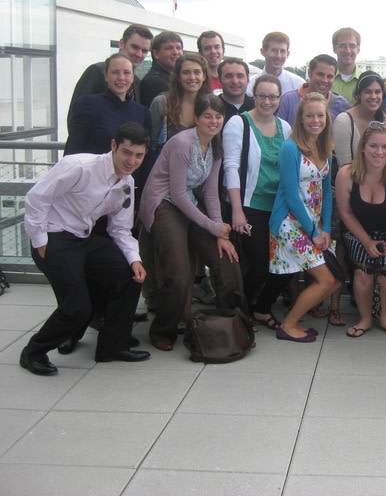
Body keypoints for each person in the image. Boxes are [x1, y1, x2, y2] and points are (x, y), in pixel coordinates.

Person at [20, 122, 152, 375]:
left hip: (84, 237)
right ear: (114, 146)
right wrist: (40, 241)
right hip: (54, 237)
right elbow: (36, 198)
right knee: (77, 307)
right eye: (126, 152)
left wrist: (135, 259)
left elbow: (120, 230)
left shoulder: (127, 182)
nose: (131, 160)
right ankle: (33, 352)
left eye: (138, 155)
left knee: (129, 276)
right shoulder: (79, 166)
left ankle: (112, 347)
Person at [140, 95, 243, 351]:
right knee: (179, 272)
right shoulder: (183, 143)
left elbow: (209, 193)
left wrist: (221, 233)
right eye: (207, 116)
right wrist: (212, 226)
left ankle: (233, 322)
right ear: (196, 118)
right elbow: (177, 194)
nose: (213, 121)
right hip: (163, 203)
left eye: (218, 116)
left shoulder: (216, 146)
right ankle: (163, 329)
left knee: (226, 258)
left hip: (188, 202)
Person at [269, 93, 342, 342]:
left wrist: (326, 230)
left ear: (327, 118)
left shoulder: (325, 147)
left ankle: (292, 320)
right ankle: (288, 325)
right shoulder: (290, 148)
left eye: (320, 115)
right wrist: (313, 232)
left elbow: (327, 195)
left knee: (333, 280)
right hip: (290, 222)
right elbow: (290, 195)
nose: (315, 120)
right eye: (309, 115)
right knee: (327, 278)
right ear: (300, 118)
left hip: (315, 225)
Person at [223, 73, 293, 330]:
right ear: (254, 95)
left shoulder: (285, 127)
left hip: (279, 208)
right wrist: (237, 210)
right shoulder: (238, 123)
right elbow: (231, 166)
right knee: (260, 265)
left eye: (273, 96)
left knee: (287, 262)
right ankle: (241, 312)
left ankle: (262, 308)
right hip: (251, 206)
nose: (267, 101)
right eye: (262, 96)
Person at [336, 122, 386, 337]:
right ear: (363, 146)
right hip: (358, 231)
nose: (379, 152)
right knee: (363, 275)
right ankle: (365, 319)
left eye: (385, 147)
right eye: (373, 146)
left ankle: (385, 316)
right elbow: (346, 213)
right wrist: (365, 241)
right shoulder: (346, 173)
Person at [66, 53, 151, 158]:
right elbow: (74, 150)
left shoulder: (142, 113)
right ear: (106, 76)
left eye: (127, 73)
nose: (121, 77)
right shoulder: (87, 105)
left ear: (133, 77)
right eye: (115, 72)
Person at [68, 24, 153, 112]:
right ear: (122, 43)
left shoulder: (137, 82)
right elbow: (77, 114)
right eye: (135, 47)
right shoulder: (97, 71)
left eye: (144, 51)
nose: (139, 54)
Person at [333, 72, 386, 166]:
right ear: (359, 94)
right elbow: (344, 166)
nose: (373, 97)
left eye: (377, 92)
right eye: (368, 92)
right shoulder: (344, 122)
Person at [149, 53, 211, 152]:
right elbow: (152, 144)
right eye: (186, 72)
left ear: (204, 76)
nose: (192, 77)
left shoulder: (210, 106)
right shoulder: (161, 103)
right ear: (178, 77)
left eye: (197, 72)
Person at [276, 54, 350, 124]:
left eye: (329, 76)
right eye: (320, 75)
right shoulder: (288, 100)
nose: (325, 80)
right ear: (309, 73)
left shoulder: (340, 104)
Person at [247, 31, 305, 97]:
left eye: (282, 51)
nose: (278, 56)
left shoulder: (298, 85)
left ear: (287, 54)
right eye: (274, 50)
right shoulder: (250, 85)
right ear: (263, 52)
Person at [140, 31, 184, 108]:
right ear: (156, 54)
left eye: (178, 48)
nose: (176, 52)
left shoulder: (173, 77)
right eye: (169, 48)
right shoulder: (154, 83)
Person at [331, 27, 364, 104]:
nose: (348, 50)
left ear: (358, 49)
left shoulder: (364, 81)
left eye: (352, 46)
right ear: (334, 49)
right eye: (342, 46)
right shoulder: (325, 80)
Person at [218, 57, 255, 122]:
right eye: (229, 76)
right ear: (219, 80)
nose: (235, 81)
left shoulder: (257, 107)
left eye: (240, 76)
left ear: (248, 79)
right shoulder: (212, 108)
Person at [197, 30, 225, 95]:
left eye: (217, 47)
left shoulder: (232, 80)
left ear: (223, 50)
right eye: (208, 48)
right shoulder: (196, 81)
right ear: (200, 53)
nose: (213, 51)